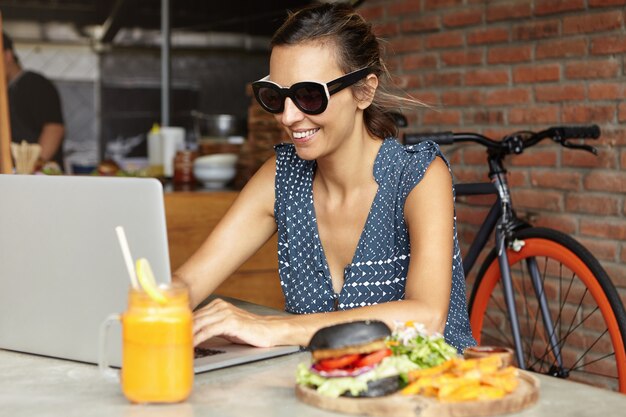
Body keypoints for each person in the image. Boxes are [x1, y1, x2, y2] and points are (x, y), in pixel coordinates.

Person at [174, 2, 476, 352]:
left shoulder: (419, 177)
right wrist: (154, 308)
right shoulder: (281, 178)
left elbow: (427, 317)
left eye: (308, 95)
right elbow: (187, 282)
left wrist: (275, 329)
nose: (288, 116)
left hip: (431, 393)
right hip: (322, 394)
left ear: (364, 90)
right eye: (275, 96)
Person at [2, 31, 65, 169]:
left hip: (40, 179)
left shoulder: (35, 84)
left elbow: (54, 130)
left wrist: (30, 169)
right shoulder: (5, 92)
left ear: (7, 55)